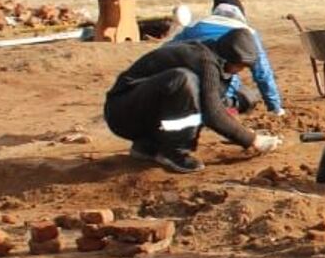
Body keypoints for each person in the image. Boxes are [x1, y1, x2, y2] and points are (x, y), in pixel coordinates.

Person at [104, 28, 281, 174]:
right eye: (241, 66)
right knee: (184, 81)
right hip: (121, 113)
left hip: (136, 109)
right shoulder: (204, 61)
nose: (240, 71)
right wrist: (252, 140)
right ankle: (175, 152)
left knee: (218, 95)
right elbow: (213, 114)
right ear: (230, 59)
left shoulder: (211, 56)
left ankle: (148, 146)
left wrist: (237, 125)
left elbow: (215, 103)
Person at [164, 0, 284, 115]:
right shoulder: (247, 34)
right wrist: (275, 107)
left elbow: (165, 50)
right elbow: (262, 73)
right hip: (216, 93)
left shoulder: (194, 27)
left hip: (180, 87)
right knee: (248, 97)